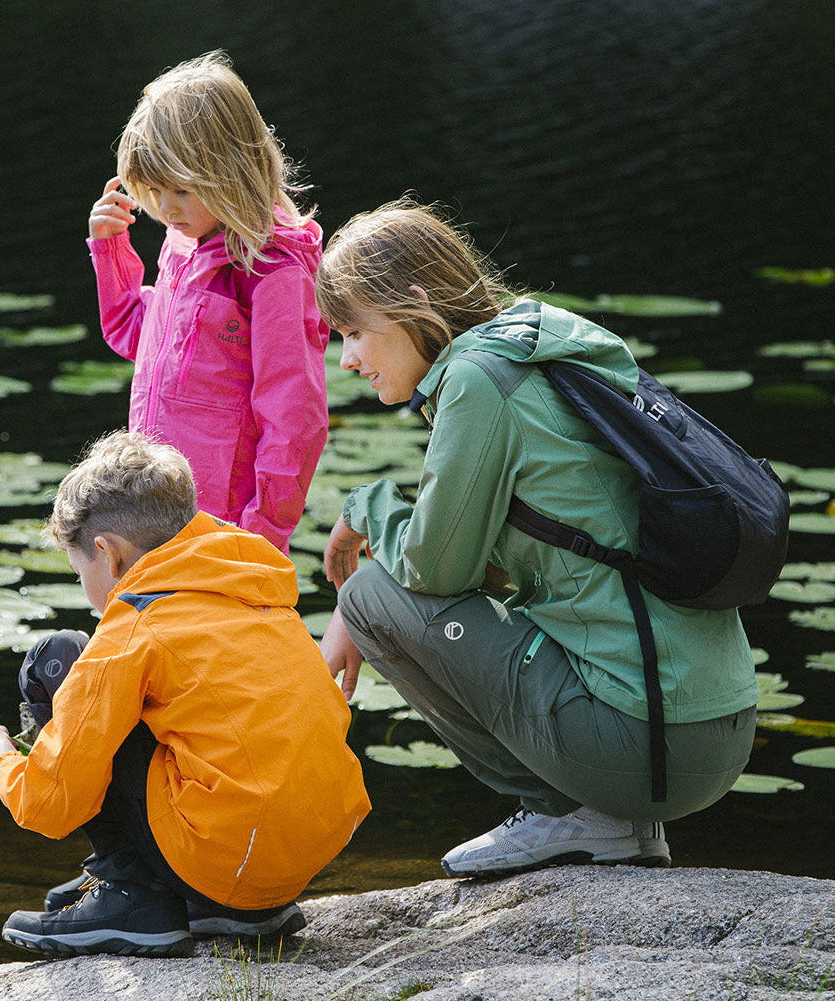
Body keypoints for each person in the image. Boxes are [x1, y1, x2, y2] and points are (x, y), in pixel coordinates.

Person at [315, 199, 758, 879]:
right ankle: (611, 821)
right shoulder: (546, 342)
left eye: (354, 332)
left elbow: (435, 570)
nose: (346, 359)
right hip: (718, 731)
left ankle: (567, 812)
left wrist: (365, 507)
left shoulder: (477, 380)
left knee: (373, 592)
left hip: (644, 750)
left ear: (416, 303)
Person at [0, 429, 370, 957]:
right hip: (303, 852)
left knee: (57, 656)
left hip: (228, 854)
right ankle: (232, 907)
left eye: (79, 571)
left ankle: (130, 893)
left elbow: (52, 804)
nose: (85, 590)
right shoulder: (253, 583)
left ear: (107, 554)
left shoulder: (135, 625)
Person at [86, 50, 328, 555]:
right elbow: (134, 335)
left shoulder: (274, 272)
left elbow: (295, 420)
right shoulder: (183, 243)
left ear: (232, 170)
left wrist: (259, 535)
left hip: (224, 530)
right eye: (154, 190)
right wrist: (111, 251)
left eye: (181, 190)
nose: (165, 207)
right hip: (154, 511)